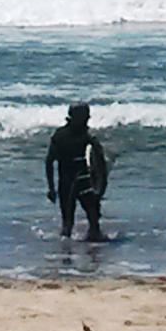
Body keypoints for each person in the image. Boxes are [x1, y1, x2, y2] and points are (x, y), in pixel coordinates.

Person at [45, 103, 107, 241]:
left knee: (93, 222)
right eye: (85, 118)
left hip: (84, 182)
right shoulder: (61, 137)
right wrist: (51, 188)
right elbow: (49, 161)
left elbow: (100, 163)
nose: (87, 121)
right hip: (69, 183)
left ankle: (91, 254)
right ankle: (65, 255)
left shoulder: (88, 137)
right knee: (68, 223)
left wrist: (101, 187)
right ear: (74, 118)